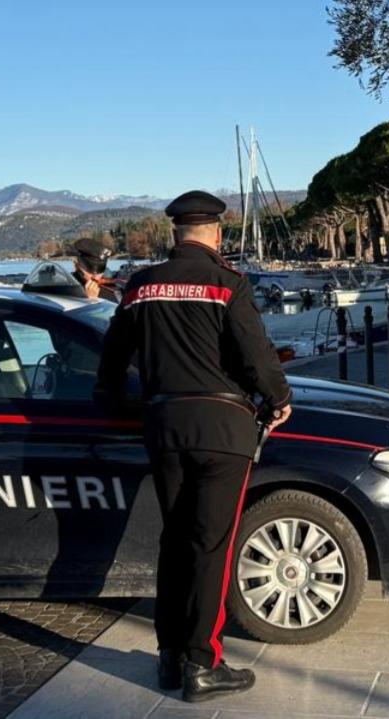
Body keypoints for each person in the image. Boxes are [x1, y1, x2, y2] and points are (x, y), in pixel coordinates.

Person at [95, 190, 292, 703]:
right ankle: (203, 663)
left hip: (163, 427)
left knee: (176, 540)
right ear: (217, 234)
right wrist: (279, 399)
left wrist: (112, 398)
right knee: (211, 547)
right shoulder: (228, 283)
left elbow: (113, 355)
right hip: (222, 431)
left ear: (174, 232)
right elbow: (256, 356)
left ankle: (169, 654)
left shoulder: (141, 286)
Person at [72, 236, 120, 302]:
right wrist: (90, 300)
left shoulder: (110, 290)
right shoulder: (68, 287)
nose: (95, 277)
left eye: (100, 271)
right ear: (77, 265)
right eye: (90, 271)